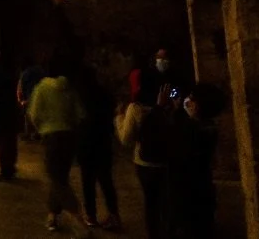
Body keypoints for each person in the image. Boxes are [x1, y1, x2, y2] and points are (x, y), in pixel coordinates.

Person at [28, 52, 89, 238]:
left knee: (57, 180)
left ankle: (79, 220)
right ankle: (52, 216)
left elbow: (34, 114)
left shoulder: (41, 88)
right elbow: (81, 114)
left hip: (51, 137)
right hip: (69, 138)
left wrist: (42, 128)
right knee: (60, 176)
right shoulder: (70, 88)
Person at [116, 66, 170, 239]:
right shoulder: (166, 103)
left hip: (145, 162)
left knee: (151, 202)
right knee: (167, 200)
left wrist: (118, 118)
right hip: (168, 160)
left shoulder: (136, 108)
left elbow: (126, 138)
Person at [169, 83, 225, 239]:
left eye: (192, 99)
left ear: (199, 106)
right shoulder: (208, 127)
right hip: (202, 189)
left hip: (188, 193)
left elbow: (175, 151)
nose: (188, 101)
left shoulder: (192, 130)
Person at [76, 66, 122, 231]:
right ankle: (114, 215)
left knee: (87, 180)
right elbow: (112, 111)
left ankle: (91, 215)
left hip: (86, 142)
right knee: (106, 180)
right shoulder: (104, 93)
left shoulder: (80, 95)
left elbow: (77, 118)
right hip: (102, 141)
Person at [0, 60, 20, 181]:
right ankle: (11, 167)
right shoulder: (11, 79)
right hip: (11, 113)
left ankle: (5, 171)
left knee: (2, 143)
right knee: (11, 141)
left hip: (0, 114)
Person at [17, 56, 45, 140]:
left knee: (29, 115)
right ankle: (38, 133)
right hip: (40, 95)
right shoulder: (40, 71)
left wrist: (21, 99)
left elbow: (21, 86)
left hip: (29, 96)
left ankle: (29, 133)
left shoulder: (25, 73)